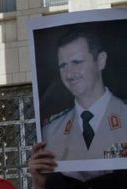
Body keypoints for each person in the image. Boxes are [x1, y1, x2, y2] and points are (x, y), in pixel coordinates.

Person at [41, 27, 127, 179]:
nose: (69, 74)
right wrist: (38, 184)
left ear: (101, 61)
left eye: (77, 62)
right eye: (63, 65)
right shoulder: (51, 131)